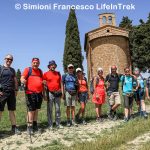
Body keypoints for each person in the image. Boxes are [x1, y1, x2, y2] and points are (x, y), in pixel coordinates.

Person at [21, 58, 43, 134]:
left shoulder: (40, 71)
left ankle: (35, 124)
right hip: (30, 93)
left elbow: (41, 81)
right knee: (31, 110)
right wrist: (23, 80)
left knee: (36, 109)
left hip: (39, 93)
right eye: (34, 62)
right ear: (31, 63)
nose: (35, 64)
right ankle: (29, 127)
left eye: (37, 63)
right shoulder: (28, 69)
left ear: (39, 63)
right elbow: (22, 77)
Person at [0, 54, 21, 134]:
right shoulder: (0, 68)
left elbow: (15, 80)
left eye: (11, 59)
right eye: (8, 59)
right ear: (4, 59)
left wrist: (16, 89)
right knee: (0, 111)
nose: (9, 60)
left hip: (11, 92)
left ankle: (14, 128)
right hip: (3, 93)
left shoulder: (12, 70)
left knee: (12, 110)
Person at [43, 60, 63, 129]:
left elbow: (61, 83)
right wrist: (45, 95)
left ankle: (58, 124)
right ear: (49, 66)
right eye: (51, 65)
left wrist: (62, 92)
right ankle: (50, 124)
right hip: (50, 93)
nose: (53, 66)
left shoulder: (58, 73)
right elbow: (44, 84)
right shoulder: (45, 74)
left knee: (57, 109)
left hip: (58, 92)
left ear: (55, 66)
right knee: (50, 109)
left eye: (54, 65)